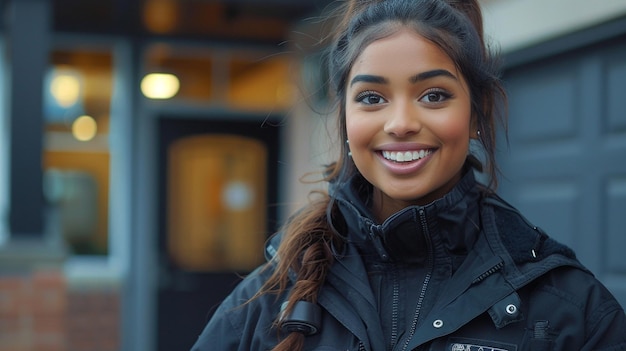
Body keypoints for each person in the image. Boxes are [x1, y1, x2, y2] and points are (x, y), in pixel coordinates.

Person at [191, 0, 626, 350]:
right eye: (372, 97)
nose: (400, 122)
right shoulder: (268, 299)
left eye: (434, 95)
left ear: (478, 113)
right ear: (345, 120)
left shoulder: (569, 306)